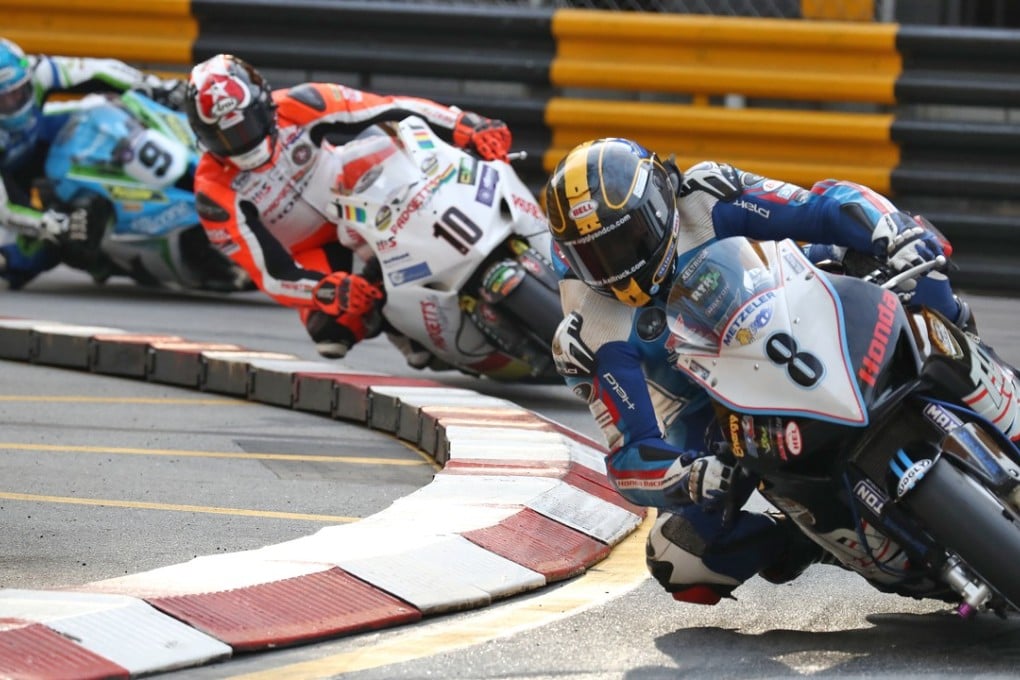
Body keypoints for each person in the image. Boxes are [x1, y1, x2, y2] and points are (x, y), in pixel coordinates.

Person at [544, 137, 1020, 605]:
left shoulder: (706, 193)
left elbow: (823, 205)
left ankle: (996, 391)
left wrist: (890, 232)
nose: (618, 265)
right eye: (595, 256)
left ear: (657, 203)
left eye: (627, 240)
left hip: (792, 303)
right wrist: (687, 476)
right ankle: (806, 540)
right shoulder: (588, 330)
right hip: (711, 408)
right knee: (679, 557)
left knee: (920, 266)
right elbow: (629, 454)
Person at [185, 53, 512, 363]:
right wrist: (325, 290)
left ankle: (484, 211)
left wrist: (464, 124)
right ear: (204, 136)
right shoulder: (212, 193)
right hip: (309, 248)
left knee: (405, 151)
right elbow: (270, 273)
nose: (242, 142)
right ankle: (402, 324)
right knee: (331, 329)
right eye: (225, 137)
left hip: (353, 186)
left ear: (264, 106)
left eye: (248, 126)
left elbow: (390, 108)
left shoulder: (301, 103)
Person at [0, 38, 186, 289]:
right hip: (7, 179)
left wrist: (157, 87)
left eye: (19, 93)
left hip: (40, 137)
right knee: (23, 258)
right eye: (3, 99)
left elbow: (100, 70)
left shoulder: (36, 70)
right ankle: (102, 258)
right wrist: (58, 225)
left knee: (107, 116)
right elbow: (5, 209)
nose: (13, 103)